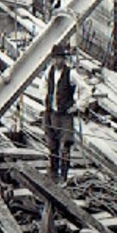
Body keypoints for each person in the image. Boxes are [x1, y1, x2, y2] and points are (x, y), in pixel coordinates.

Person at [42, 45, 76, 182]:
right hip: (51, 114)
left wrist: (77, 106)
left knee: (65, 146)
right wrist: (45, 102)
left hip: (64, 115)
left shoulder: (71, 74)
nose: (58, 61)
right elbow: (43, 87)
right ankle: (54, 174)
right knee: (52, 145)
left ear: (64, 59)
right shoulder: (49, 72)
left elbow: (85, 90)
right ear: (53, 59)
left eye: (61, 58)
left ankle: (64, 176)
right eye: (56, 58)